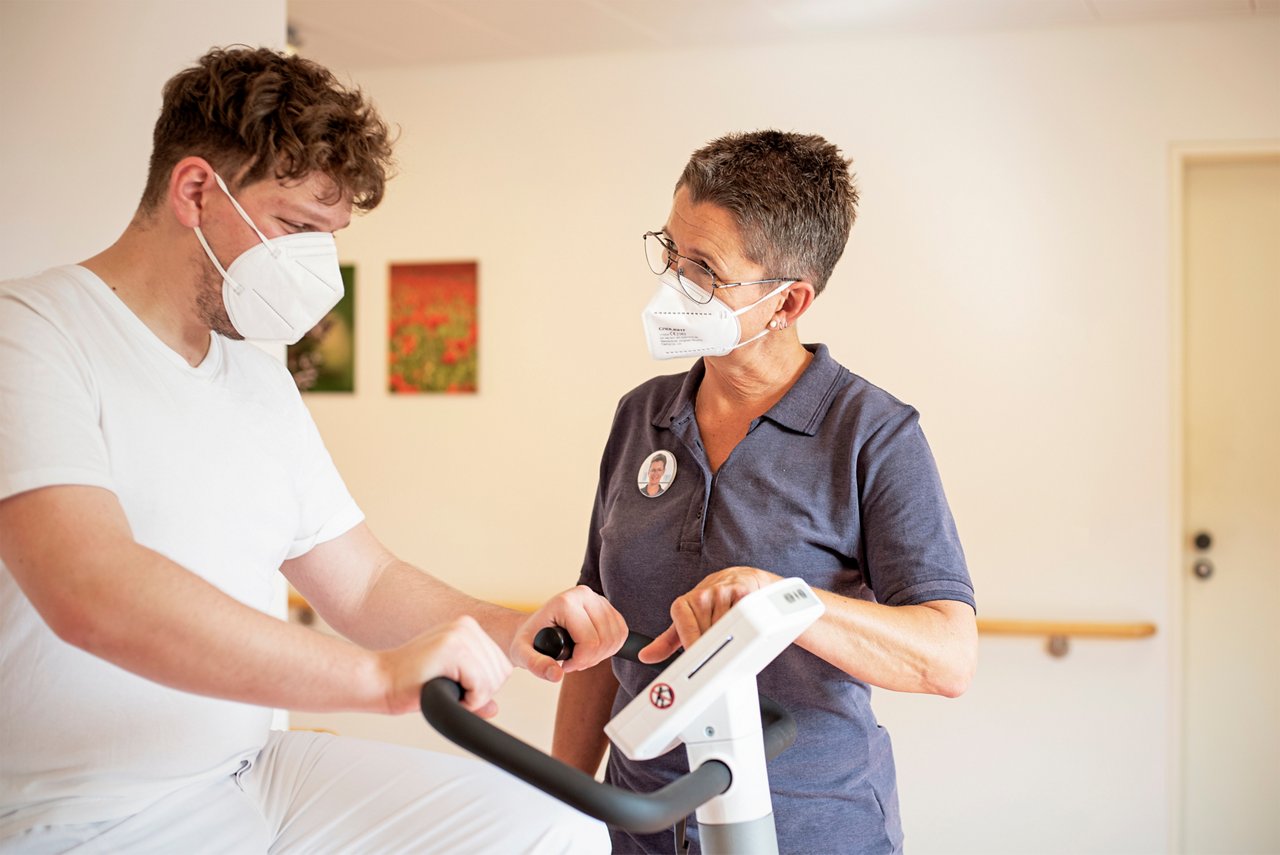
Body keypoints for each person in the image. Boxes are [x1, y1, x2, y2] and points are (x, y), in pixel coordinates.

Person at [0, 46, 626, 854]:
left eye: (325, 238)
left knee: (557, 830)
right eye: (295, 227)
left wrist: (513, 630)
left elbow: (365, 582)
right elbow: (90, 588)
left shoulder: (258, 384)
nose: (311, 266)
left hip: (255, 770)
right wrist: (373, 679)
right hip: (77, 806)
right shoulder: (33, 335)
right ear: (195, 191)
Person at [552, 130, 978, 854]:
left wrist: (783, 604)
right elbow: (601, 632)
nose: (673, 284)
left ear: (787, 303)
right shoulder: (641, 416)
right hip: (639, 826)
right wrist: (558, 808)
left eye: (704, 270)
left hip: (808, 827)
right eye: (671, 253)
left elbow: (947, 655)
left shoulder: (873, 435)